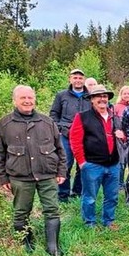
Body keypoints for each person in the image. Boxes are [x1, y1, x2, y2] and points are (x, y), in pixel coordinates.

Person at [0, 85, 66, 256]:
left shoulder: (47, 122)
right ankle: (27, 244)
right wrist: (2, 178)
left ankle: (53, 247)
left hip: (47, 174)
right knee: (20, 212)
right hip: (20, 177)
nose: (27, 101)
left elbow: (60, 149)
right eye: (23, 98)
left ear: (34, 99)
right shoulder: (5, 123)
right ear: (15, 100)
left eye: (30, 98)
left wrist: (61, 171)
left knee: (52, 210)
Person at [69, 85, 121, 229]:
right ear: (92, 99)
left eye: (105, 96)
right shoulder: (82, 117)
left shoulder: (114, 116)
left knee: (112, 197)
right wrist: (82, 162)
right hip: (92, 165)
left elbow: (121, 136)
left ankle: (109, 220)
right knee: (90, 197)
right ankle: (89, 222)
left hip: (113, 164)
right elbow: (75, 140)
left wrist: (122, 137)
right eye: (98, 96)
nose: (102, 99)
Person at [50, 68, 90, 202]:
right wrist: (59, 128)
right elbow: (54, 114)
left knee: (82, 164)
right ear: (70, 79)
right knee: (65, 164)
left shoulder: (89, 96)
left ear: (83, 80)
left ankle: (77, 192)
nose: (78, 80)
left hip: (85, 135)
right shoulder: (62, 95)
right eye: (75, 78)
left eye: (80, 78)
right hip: (66, 134)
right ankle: (63, 195)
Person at [114, 85, 129, 190]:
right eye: (124, 93)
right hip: (120, 139)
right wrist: (117, 132)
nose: (127, 95)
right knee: (121, 162)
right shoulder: (116, 107)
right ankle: (119, 183)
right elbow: (114, 122)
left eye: (128, 93)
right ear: (121, 95)